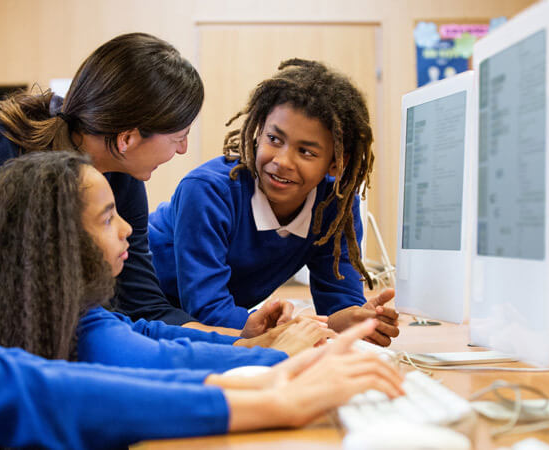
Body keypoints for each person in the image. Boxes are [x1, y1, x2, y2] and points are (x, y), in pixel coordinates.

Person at [0, 23, 404, 448]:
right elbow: (38, 387)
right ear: (127, 138)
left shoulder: (120, 187)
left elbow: (141, 323)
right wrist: (269, 384)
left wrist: (257, 350)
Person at [0, 30, 289, 340]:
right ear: (127, 138)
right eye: (179, 136)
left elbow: (143, 304)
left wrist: (241, 333)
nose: (182, 150)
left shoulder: (122, 185)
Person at [0, 151, 331, 370]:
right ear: (59, 242)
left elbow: (149, 333)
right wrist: (274, 356)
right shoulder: (82, 336)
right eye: (108, 217)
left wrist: (255, 340)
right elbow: (163, 360)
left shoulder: (75, 312)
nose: (127, 228)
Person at [149, 59, 401, 346]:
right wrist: (287, 330)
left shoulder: (335, 205)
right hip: (142, 305)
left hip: (203, 325)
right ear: (258, 132)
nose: (281, 161)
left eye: (306, 151)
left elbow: (339, 301)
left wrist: (354, 320)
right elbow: (207, 309)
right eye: (273, 139)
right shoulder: (208, 191)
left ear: (335, 164)